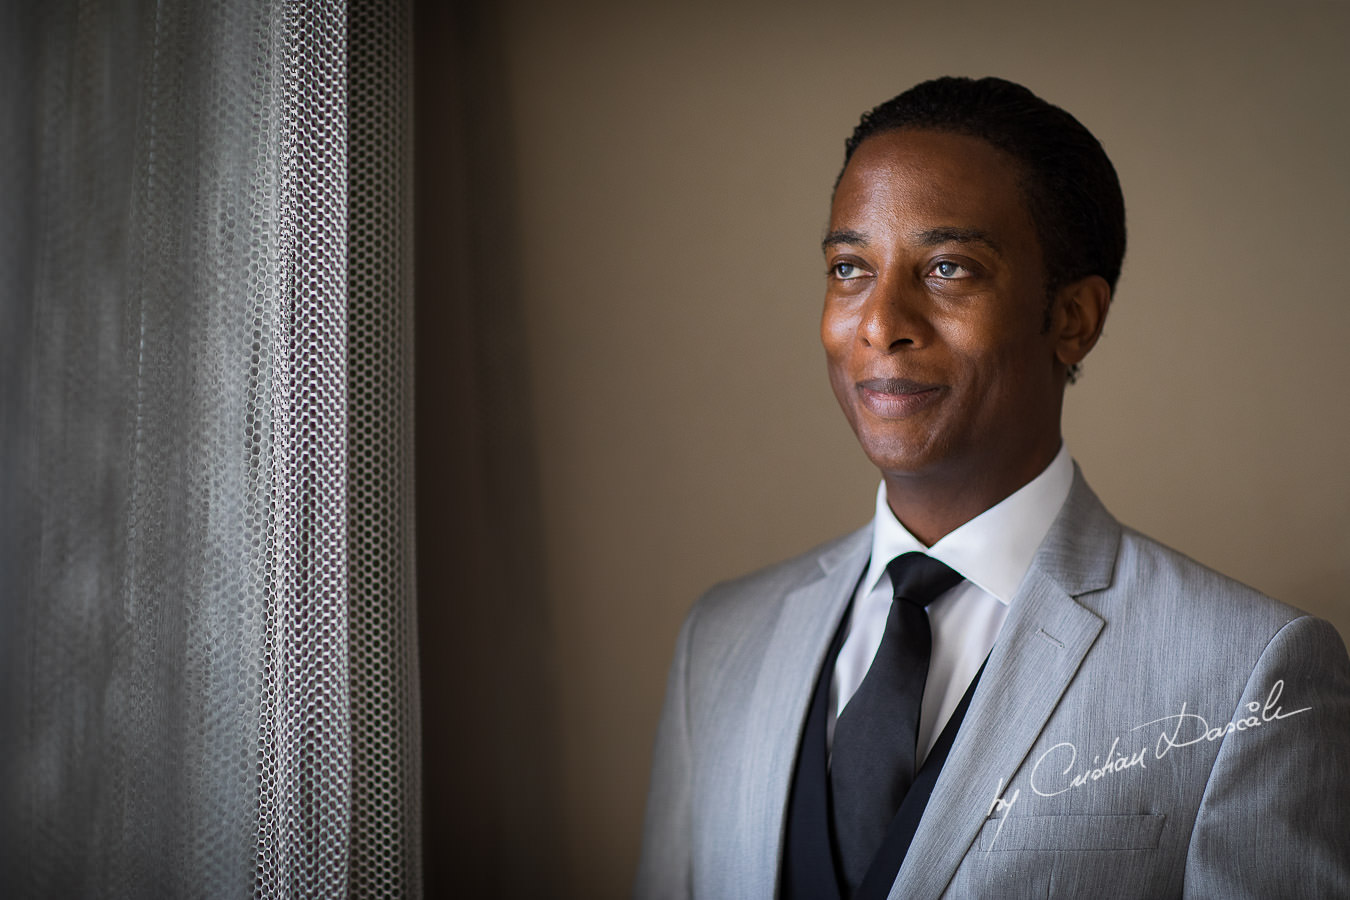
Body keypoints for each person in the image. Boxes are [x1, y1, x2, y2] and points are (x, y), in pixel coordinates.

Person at [633, 76, 1350, 899]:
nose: (878, 321)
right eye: (849, 266)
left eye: (948, 268)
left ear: (1073, 318)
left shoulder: (1252, 672)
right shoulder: (719, 641)